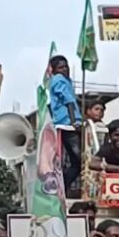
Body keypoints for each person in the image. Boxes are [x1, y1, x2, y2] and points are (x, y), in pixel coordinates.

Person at [47, 55, 82, 192]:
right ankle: (63, 186)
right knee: (78, 159)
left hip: (68, 123)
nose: (65, 69)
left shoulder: (66, 80)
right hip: (67, 124)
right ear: (54, 70)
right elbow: (69, 102)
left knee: (75, 162)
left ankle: (63, 187)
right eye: (61, 67)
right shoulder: (59, 80)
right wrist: (74, 122)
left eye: (66, 66)